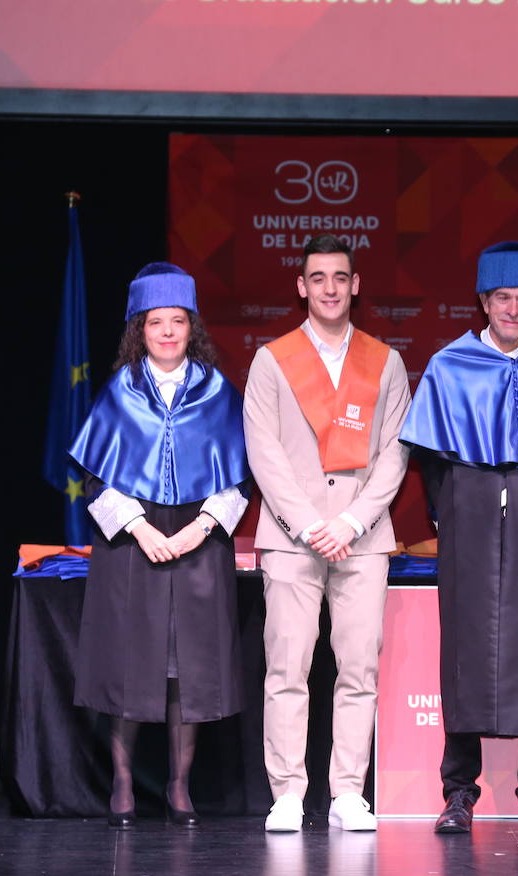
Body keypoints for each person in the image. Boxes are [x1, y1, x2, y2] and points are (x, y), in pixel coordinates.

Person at [401, 241, 518, 836]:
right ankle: (459, 792)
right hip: (470, 515)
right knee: (464, 649)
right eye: (503, 298)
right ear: (484, 301)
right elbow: (431, 459)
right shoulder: (449, 365)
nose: (513, 309)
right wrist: (455, 510)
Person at [70, 262, 250, 828]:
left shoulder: (218, 391)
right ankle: (122, 784)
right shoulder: (119, 392)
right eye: (155, 323)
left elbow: (239, 478)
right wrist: (142, 529)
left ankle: (178, 786)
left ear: (191, 327)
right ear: (138, 330)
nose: (168, 332)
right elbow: (95, 480)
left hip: (199, 540)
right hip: (130, 544)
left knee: (186, 669)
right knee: (131, 663)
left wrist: (198, 528)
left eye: (177, 322)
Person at [243, 234, 411, 833]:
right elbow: (263, 453)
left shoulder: (385, 361)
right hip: (292, 539)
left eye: (340, 277)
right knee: (287, 668)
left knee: (357, 670)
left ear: (355, 284)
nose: (330, 288)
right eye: (318, 278)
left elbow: (395, 454)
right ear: (302, 286)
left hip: (362, 539)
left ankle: (347, 794)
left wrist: (349, 522)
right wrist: (312, 524)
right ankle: (288, 792)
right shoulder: (271, 360)